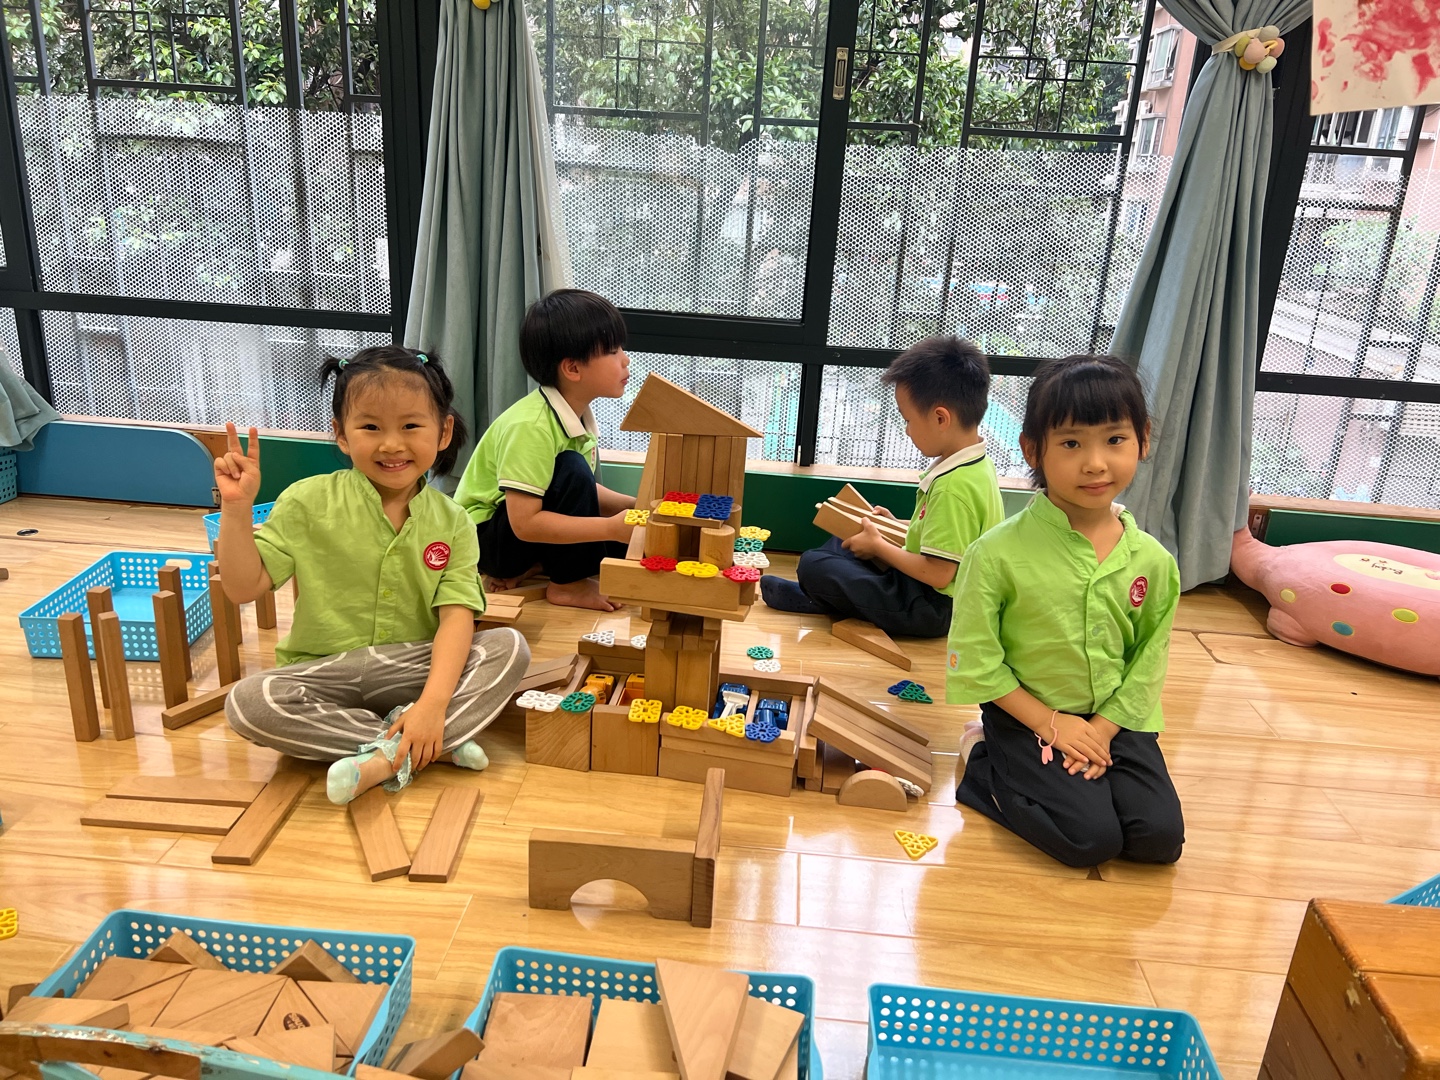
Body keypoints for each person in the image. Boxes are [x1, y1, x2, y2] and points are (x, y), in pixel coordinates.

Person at [214, 346, 529, 806]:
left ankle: (396, 748)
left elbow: (457, 617)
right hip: (325, 671)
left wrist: (432, 704)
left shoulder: (455, 521)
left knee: (508, 646)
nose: (392, 444)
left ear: (444, 432)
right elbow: (243, 587)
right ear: (341, 435)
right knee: (248, 702)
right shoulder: (306, 500)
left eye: (411, 426)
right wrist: (236, 508)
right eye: (371, 427)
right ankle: (425, 744)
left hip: (411, 670)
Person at [946, 354, 1185, 868]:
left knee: (1157, 840)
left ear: (1143, 439)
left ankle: (1079, 780)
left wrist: (1100, 731)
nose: (1095, 463)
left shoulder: (1154, 561)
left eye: (1115, 439)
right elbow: (977, 660)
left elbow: (1149, 660)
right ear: (1033, 449)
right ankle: (984, 765)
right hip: (1026, 716)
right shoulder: (995, 554)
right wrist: (1051, 724)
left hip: (1116, 721)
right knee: (1090, 840)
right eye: (1072, 443)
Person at [761, 336, 1005, 638]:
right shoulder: (975, 464)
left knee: (813, 565)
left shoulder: (953, 488)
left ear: (941, 418)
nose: (907, 431)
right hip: (930, 589)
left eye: (908, 420)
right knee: (848, 537)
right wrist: (895, 524)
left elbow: (939, 573)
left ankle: (818, 597)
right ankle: (829, 593)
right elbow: (953, 536)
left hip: (935, 608)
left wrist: (879, 547)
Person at [455, 289, 636, 612]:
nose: (625, 359)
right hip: (484, 540)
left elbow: (571, 489)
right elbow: (525, 523)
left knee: (626, 548)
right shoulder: (532, 426)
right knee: (576, 474)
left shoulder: (574, 415)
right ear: (573, 369)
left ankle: (535, 565)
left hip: (514, 530)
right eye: (612, 351)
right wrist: (610, 526)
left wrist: (633, 506)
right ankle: (567, 585)